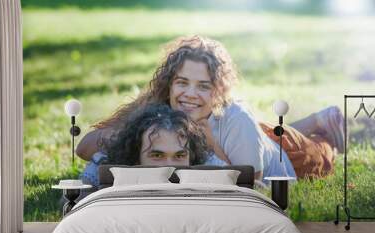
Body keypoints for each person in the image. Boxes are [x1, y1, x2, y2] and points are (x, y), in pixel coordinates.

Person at [77, 35, 344, 184]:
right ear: (169, 84)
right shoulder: (154, 108)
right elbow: (84, 147)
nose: (190, 94)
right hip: (256, 138)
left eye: (203, 86)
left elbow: (250, 185)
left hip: (288, 157)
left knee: (322, 154)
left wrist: (210, 141)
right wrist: (130, 138)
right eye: (182, 83)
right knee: (267, 132)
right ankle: (315, 119)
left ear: (218, 91)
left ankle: (327, 125)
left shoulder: (237, 120)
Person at [80, 104, 222, 186]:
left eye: (179, 156)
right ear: (135, 157)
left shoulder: (208, 171)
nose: (169, 167)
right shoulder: (103, 170)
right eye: (157, 155)